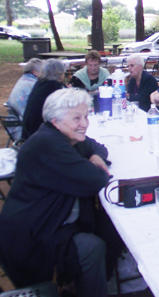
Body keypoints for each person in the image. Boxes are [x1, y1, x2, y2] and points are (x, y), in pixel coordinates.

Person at [0, 88, 124, 297]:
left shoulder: (67, 138)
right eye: (77, 117)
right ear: (55, 121)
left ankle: (96, 283)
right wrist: (95, 165)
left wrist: (95, 157)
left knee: (113, 231)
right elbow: (96, 180)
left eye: (85, 116)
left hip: (54, 218)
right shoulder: (48, 144)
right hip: (32, 234)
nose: (84, 123)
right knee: (92, 246)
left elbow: (98, 147)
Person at [22, 59, 66, 139]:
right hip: (41, 136)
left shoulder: (39, 84)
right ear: (60, 74)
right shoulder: (55, 88)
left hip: (29, 133)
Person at [6, 58, 43, 140]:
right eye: (42, 71)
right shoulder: (34, 85)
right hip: (24, 130)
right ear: (35, 72)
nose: (44, 74)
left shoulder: (22, 80)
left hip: (14, 126)